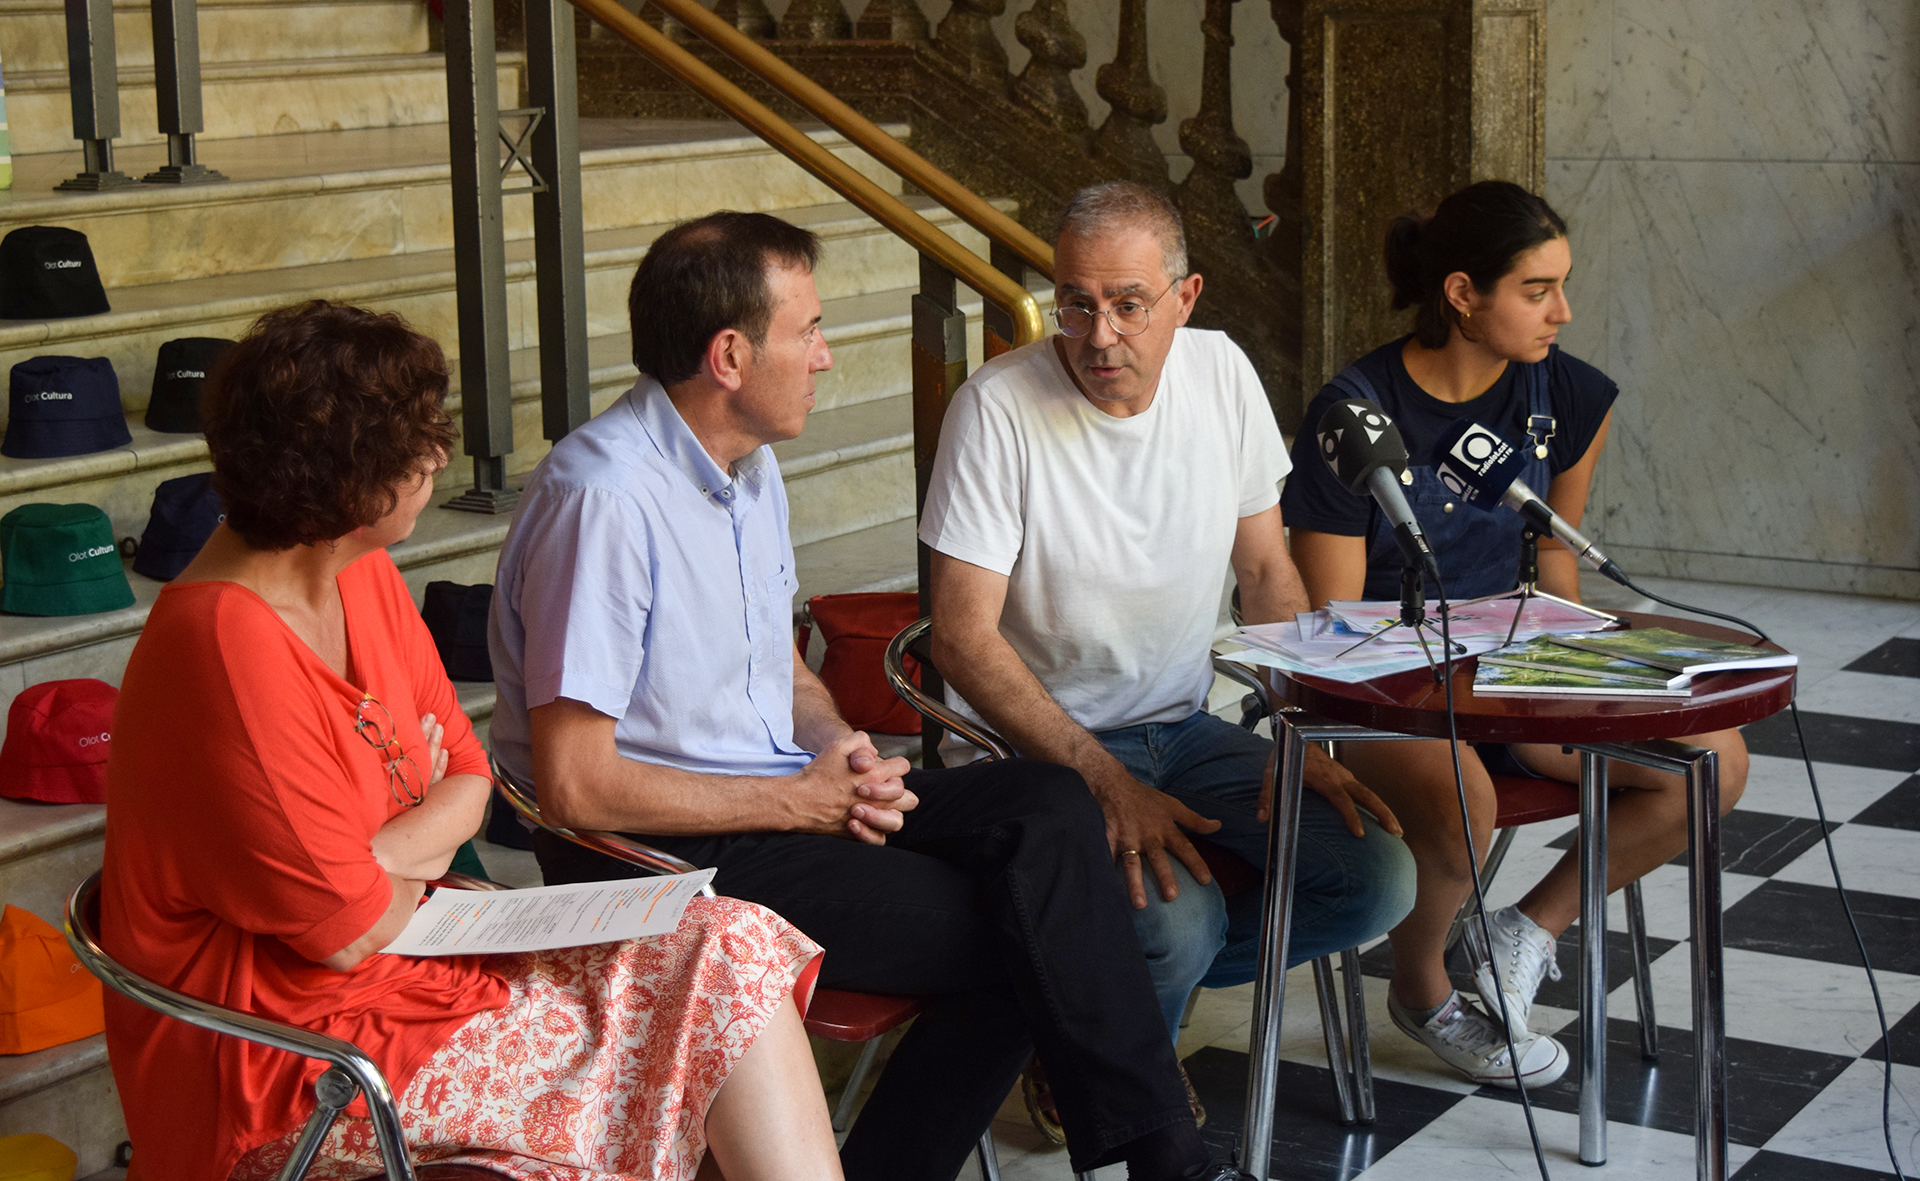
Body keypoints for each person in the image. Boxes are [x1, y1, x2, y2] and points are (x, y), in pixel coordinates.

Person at [488, 211, 1232, 1181]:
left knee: (1050, 804)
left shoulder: (744, 467)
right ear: (728, 354)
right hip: (660, 853)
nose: (826, 356)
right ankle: (1165, 1162)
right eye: (807, 331)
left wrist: (841, 745)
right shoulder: (607, 501)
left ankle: (1160, 1158)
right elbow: (577, 787)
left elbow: (777, 666)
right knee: (1032, 931)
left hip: (777, 802)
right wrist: (797, 800)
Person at [99, 301, 841, 1181]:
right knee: (680, 1034)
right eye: (419, 443)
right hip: (292, 1065)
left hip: (421, 964)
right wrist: (400, 849)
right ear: (351, 484)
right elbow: (349, 931)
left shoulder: (358, 569)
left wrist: (375, 853)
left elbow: (468, 773)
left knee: (729, 943)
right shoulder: (224, 643)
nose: (440, 457)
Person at [919, 181, 1417, 1054]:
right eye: (1075, 304)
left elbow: (1266, 571)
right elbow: (961, 637)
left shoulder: (1221, 373)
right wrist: (1108, 784)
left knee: (1374, 877)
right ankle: (1115, 1060)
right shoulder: (995, 409)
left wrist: (1302, 731)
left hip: (1187, 726)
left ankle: (1085, 1003)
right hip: (1040, 748)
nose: (1099, 335)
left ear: (1185, 299)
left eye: (1128, 304)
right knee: (1178, 923)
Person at [1280, 180, 1750, 1087]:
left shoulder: (1568, 394)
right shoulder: (1355, 413)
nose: (1562, 313)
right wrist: (1460, 687)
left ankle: (1518, 932)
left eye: (1563, 286)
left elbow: (1557, 567)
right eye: (1537, 290)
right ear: (1463, 294)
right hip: (1390, 687)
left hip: (1518, 665)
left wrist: (1584, 674)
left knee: (1714, 764)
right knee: (1466, 801)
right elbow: (1332, 623)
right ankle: (1422, 993)